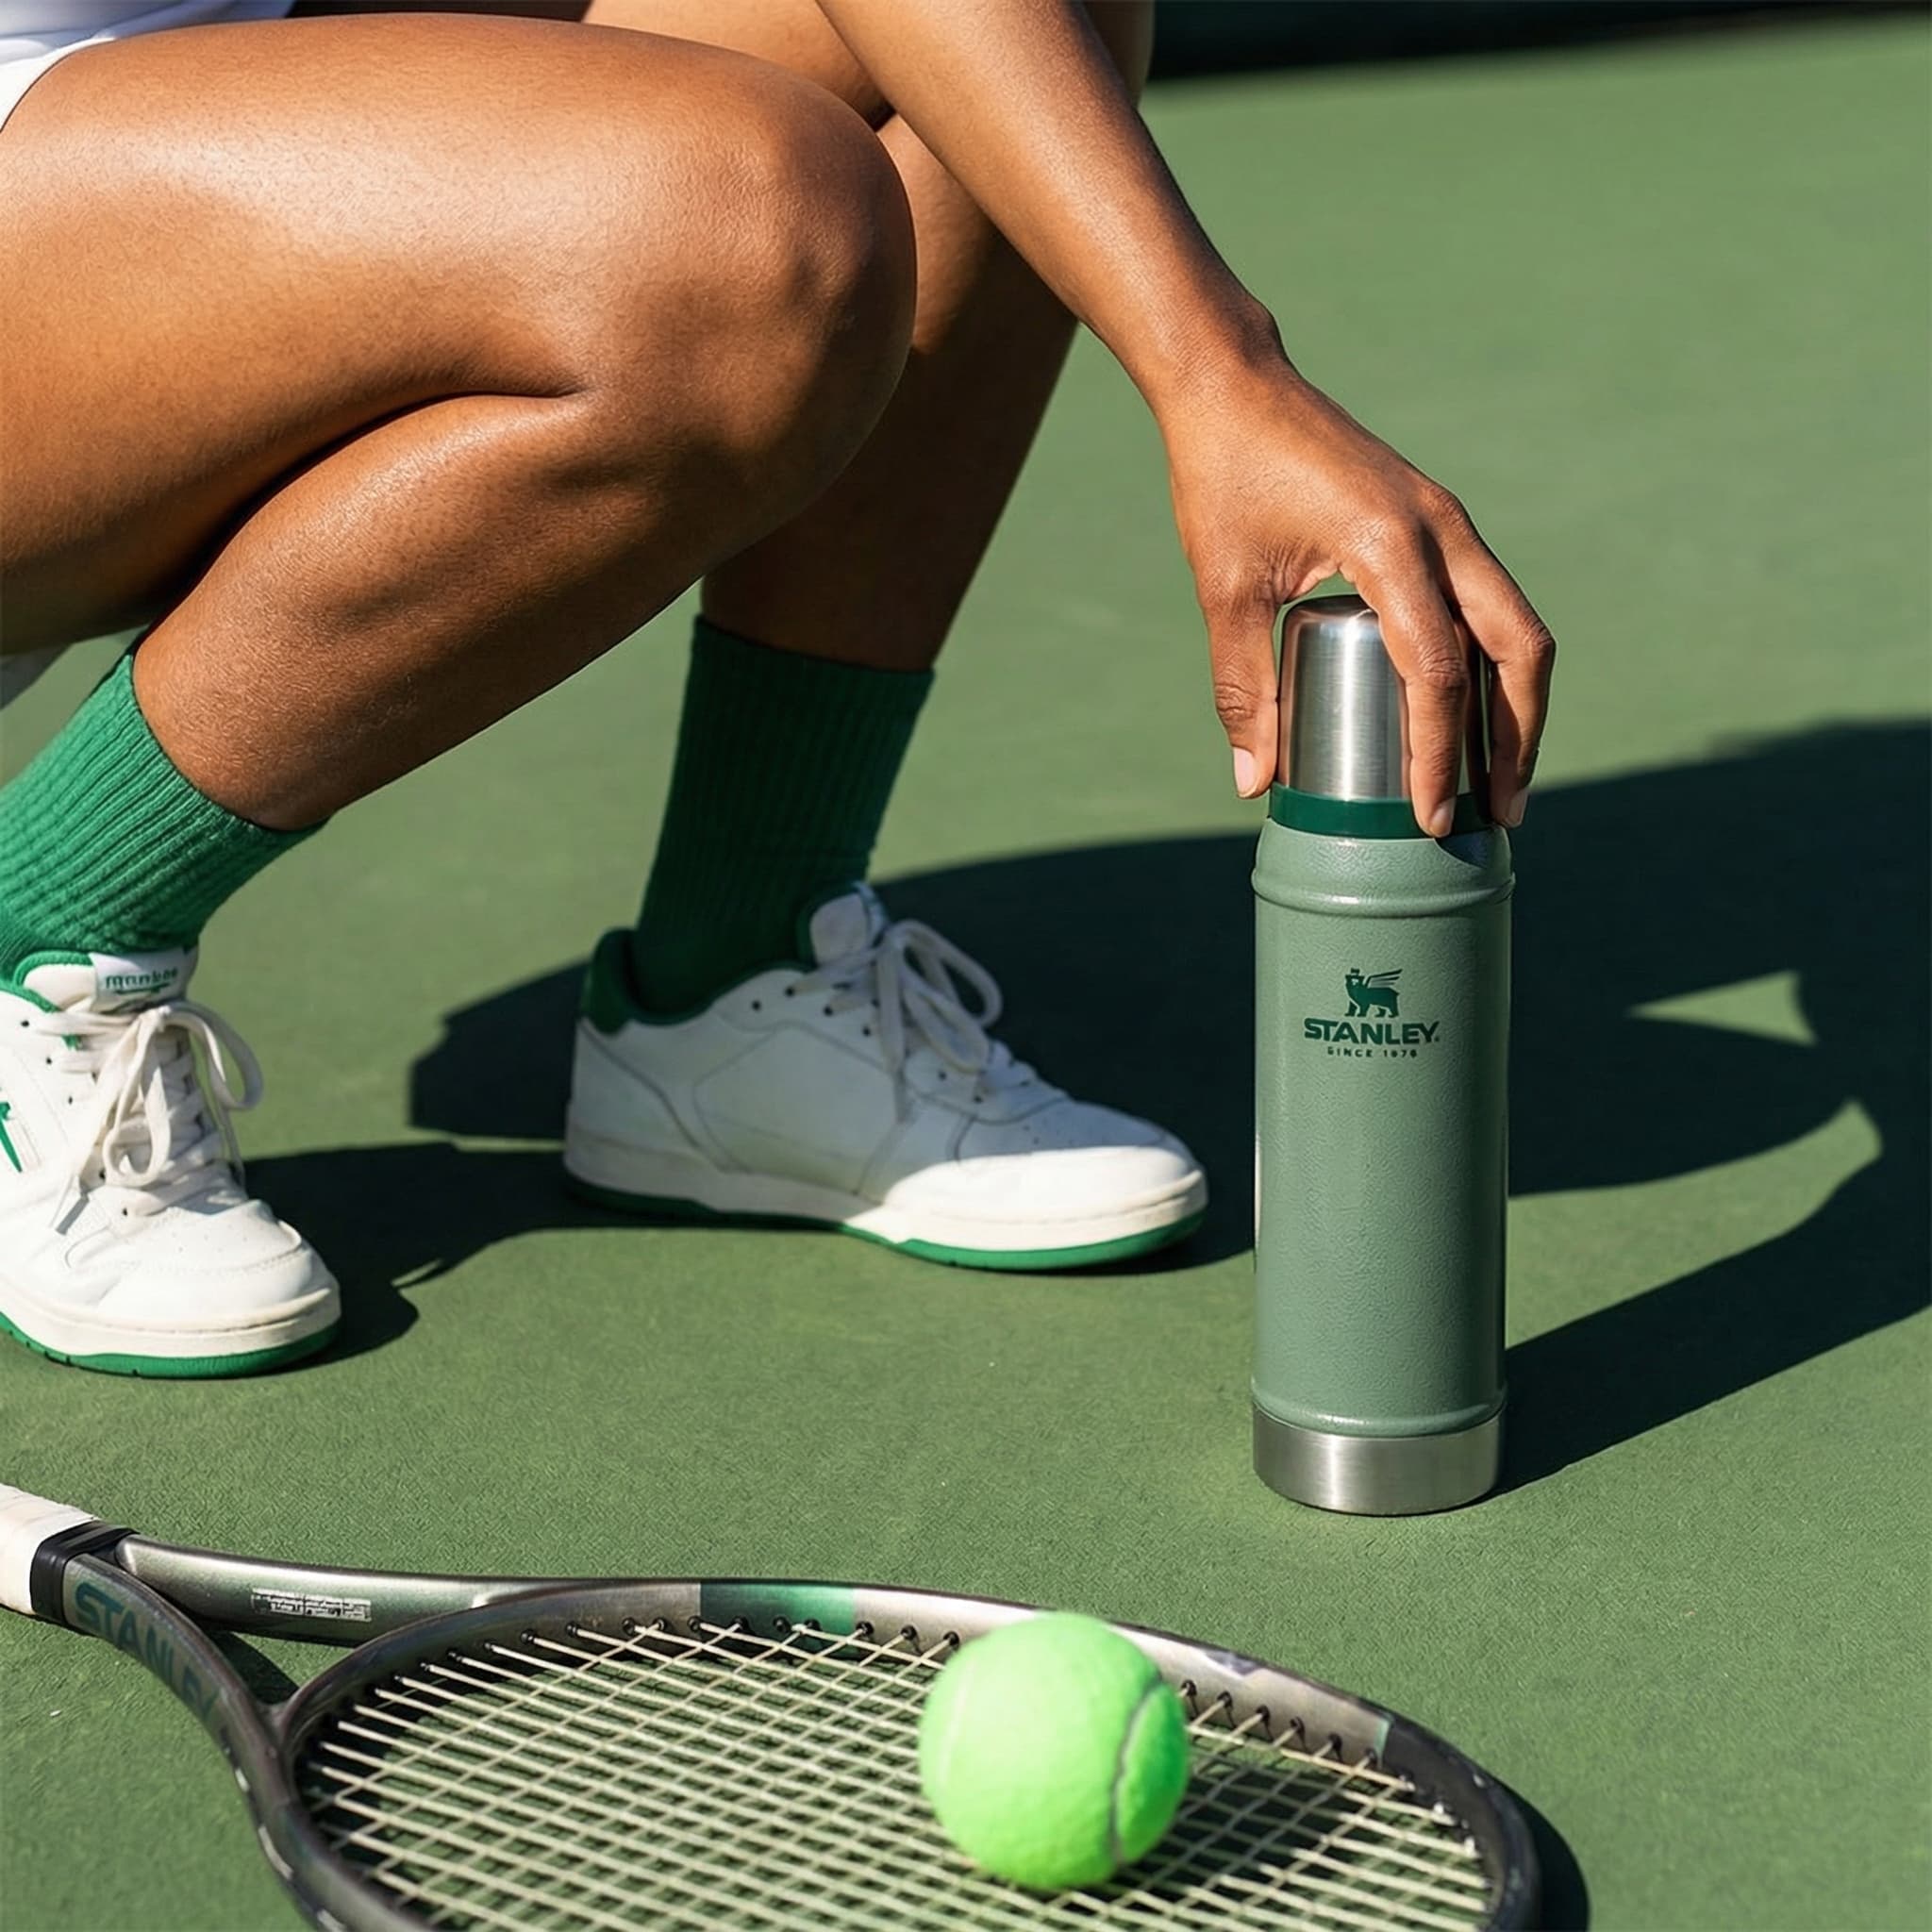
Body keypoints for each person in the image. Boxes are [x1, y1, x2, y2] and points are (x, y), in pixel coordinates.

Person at [0, 0, 1554, 1376]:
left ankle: (738, 981)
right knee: (736, 218)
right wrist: (1219, 374)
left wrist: (1220, 368)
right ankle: (43, 925)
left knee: (1029, 50)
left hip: (171, 102)